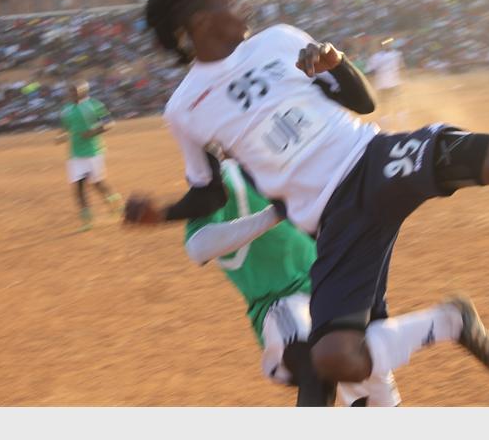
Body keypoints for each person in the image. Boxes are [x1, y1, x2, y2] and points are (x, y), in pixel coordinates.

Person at [125, 0, 489, 395]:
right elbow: (209, 194)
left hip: (373, 160)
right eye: (232, 0)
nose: (245, 6)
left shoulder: (279, 39)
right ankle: (453, 320)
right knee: (336, 358)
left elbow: (364, 103)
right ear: (202, 20)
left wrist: (335, 64)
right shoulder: (184, 108)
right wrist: (161, 213)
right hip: (331, 218)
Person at [161, 151, 400, 407]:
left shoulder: (290, 159)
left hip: (335, 290)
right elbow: (198, 247)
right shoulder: (223, 179)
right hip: (284, 299)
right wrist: (272, 215)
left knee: (375, 390)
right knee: (315, 363)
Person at [57, 81, 122, 231]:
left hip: (93, 151)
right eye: (71, 92)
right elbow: (65, 128)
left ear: (84, 91)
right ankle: (87, 221)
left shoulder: (94, 105)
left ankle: (115, 202)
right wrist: (60, 136)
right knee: (78, 187)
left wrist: (93, 132)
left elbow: (109, 123)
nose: (74, 94)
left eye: (77, 91)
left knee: (97, 183)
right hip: (75, 153)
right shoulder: (66, 109)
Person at [366, 38, 406, 128]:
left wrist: (403, 81)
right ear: (381, 45)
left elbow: (401, 68)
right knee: (384, 105)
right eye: (385, 43)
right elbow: (370, 71)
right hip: (382, 85)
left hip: (395, 83)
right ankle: (385, 125)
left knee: (398, 104)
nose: (388, 45)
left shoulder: (397, 54)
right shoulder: (375, 57)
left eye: (389, 43)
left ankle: (402, 124)